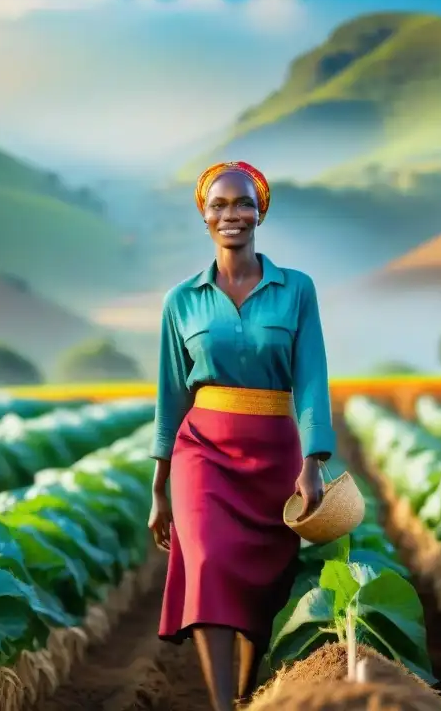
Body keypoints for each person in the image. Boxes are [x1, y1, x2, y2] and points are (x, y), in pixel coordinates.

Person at [148, 160, 335, 710]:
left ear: (261, 212)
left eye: (243, 204)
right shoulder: (180, 300)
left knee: (268, 582)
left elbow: (312, 377)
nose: (232, 215)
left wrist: (312, 461)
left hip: (274, 452)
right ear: (204, 216)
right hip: (201, 452)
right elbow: (170, 395)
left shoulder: (296, 289)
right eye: (219, 205)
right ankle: (222, 705)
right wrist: (157, 486)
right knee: (206, 563)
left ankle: (252, 695)